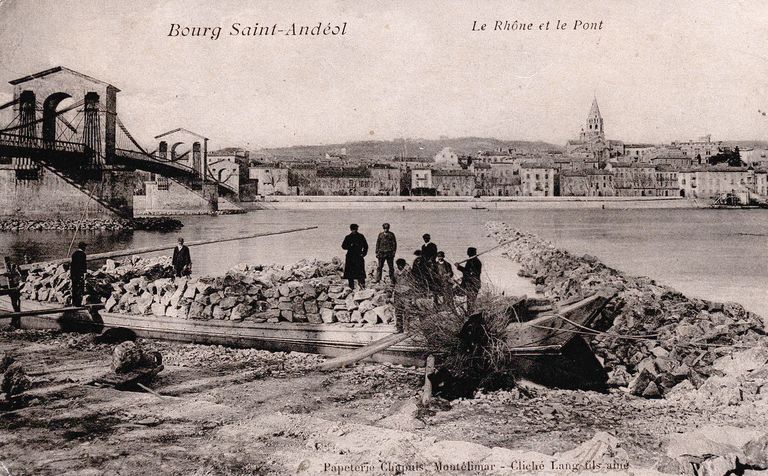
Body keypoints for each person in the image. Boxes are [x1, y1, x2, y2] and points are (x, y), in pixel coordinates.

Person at [341, 224, 368, 289]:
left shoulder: (361, 236)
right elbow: (343, 246)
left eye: (355, 229)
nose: (354, 231)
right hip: (350, 256)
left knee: (360, 272)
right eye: (353, 229)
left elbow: (366, 246)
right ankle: (351, 287)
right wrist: (350, 246)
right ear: (351, 229)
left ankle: (362, 286)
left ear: (357, 229)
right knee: (350, 273)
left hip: (358, 256)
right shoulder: (348, 237)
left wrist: (363, 254)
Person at [456, 246, 482, 311]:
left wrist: (459, 267)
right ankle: (469, 313)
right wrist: (459, 267)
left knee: (471, 301)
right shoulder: (471, 261)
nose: (467, 253)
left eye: (468, 252)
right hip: (471, 283)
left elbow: (469, 272)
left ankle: (470, 314)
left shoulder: (475, 261)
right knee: (469, 301)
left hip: (473, 284)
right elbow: (467, 271)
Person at [70, 242, 87, 306]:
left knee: (74, 288)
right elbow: (83, 265)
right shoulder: (83, 254)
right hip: (79, 274)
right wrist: (84, 273)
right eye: (85, 247)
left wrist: (71, 274)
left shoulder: (74, 254)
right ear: (83, 247)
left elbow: (72, 265)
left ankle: (74, 302)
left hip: (74, 274)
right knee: (80, 288)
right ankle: (78, 303)